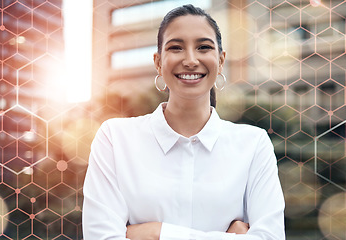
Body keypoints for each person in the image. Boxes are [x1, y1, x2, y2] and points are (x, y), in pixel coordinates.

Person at [83, 4, 285, 240]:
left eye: (203, 47)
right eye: (176, 47)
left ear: (220, 61)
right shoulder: (114, 138)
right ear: (158, 62)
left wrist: (157, 233)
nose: (190, 60)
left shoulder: (254, 144)